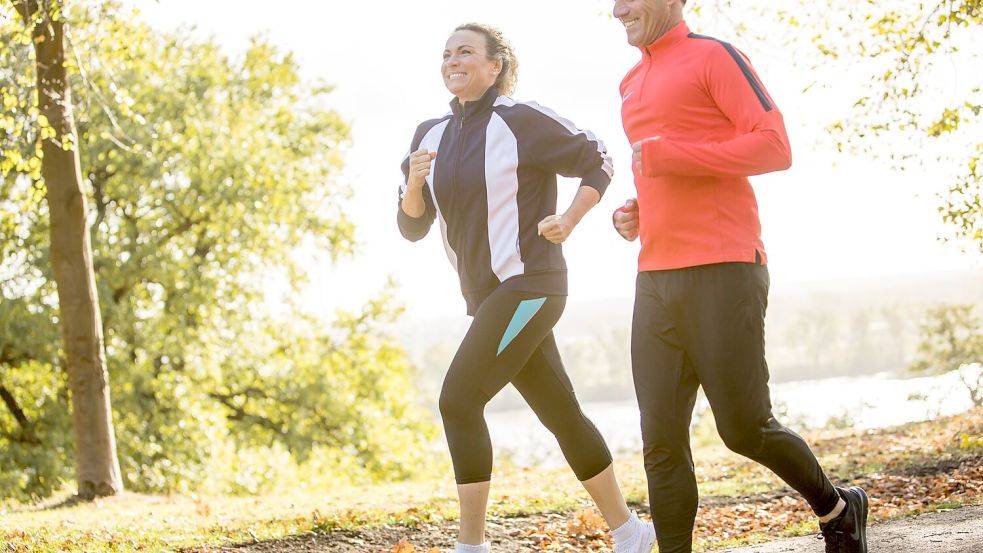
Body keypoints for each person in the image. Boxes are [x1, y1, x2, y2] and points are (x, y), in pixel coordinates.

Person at [608, 1, 870, 552]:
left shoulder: (713, 56)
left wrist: (672, 156)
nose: (616, 10)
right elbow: (662, 170)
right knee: (659, 439)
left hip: (724, 266)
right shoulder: (631, 79)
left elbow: (774, 146)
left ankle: (839, 509)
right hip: (654, 274)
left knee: (744, 428)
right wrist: (635, 213)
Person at [396, 22, 656, 553]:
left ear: (496, 66)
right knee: (562, 413)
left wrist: (570, 218)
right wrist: (415, 184)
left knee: (458, 401)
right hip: (489, 299)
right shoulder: (428, 135)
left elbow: (597, 158)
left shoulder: (521, 121)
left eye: (466, 51)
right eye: (447, 53)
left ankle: (472, 546)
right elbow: (411, 226)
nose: (453, 60)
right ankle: (630, 532)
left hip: (531, 285)